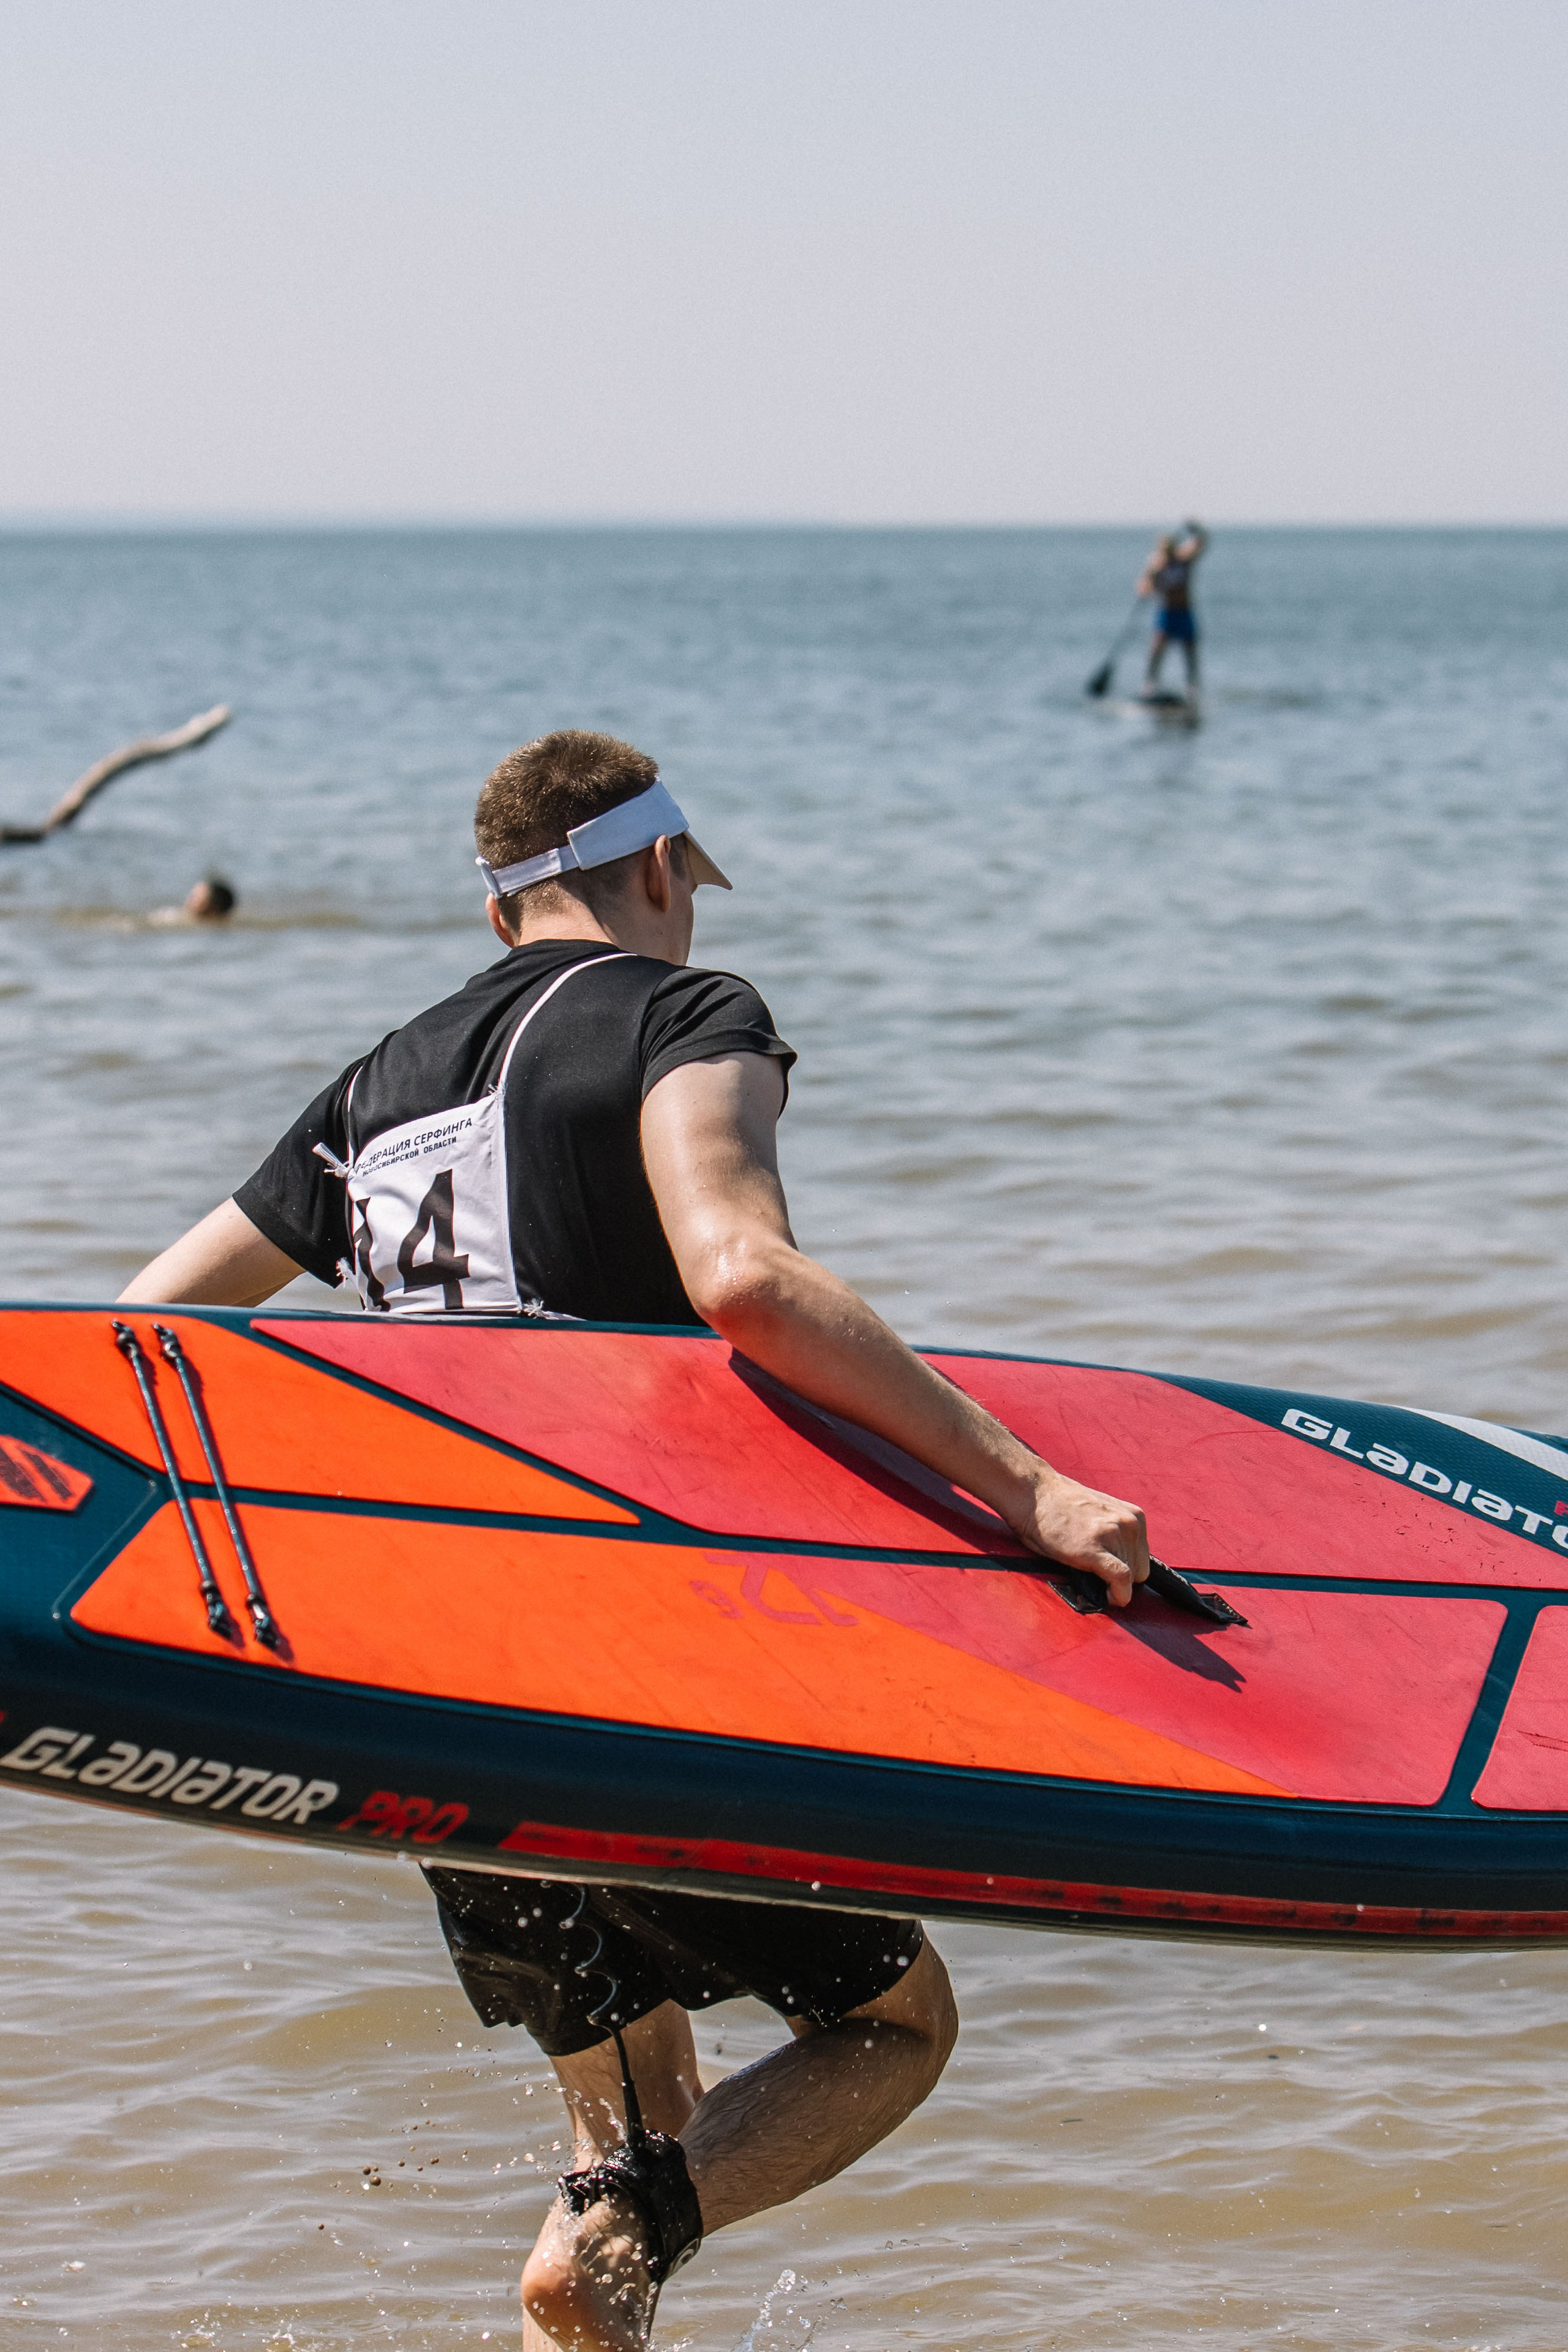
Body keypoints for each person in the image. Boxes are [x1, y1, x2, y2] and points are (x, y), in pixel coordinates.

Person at [119, 730, 1149, 2351]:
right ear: (661, 868)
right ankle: (628, 2236)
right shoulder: (687, 1010)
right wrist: (1030, 1488)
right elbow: (740, 1272)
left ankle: (604, 2260)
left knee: (630, 2107)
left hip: (425, 1686)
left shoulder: (373, 1091)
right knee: (891, 2029)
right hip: (630, 1661)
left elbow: (145, 1337)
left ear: (497, 909)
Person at [1137, 521, 1208, 697]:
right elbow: (1143, 589)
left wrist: (1195, 528)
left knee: (1190, 650)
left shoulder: (1184, 560)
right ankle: (1150, 685)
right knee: (1157, 649)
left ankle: (1192, 688)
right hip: (1167, 613)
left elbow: (1201, 543)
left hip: (1184, 612)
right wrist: (1151, 578)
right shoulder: (1157, 566)